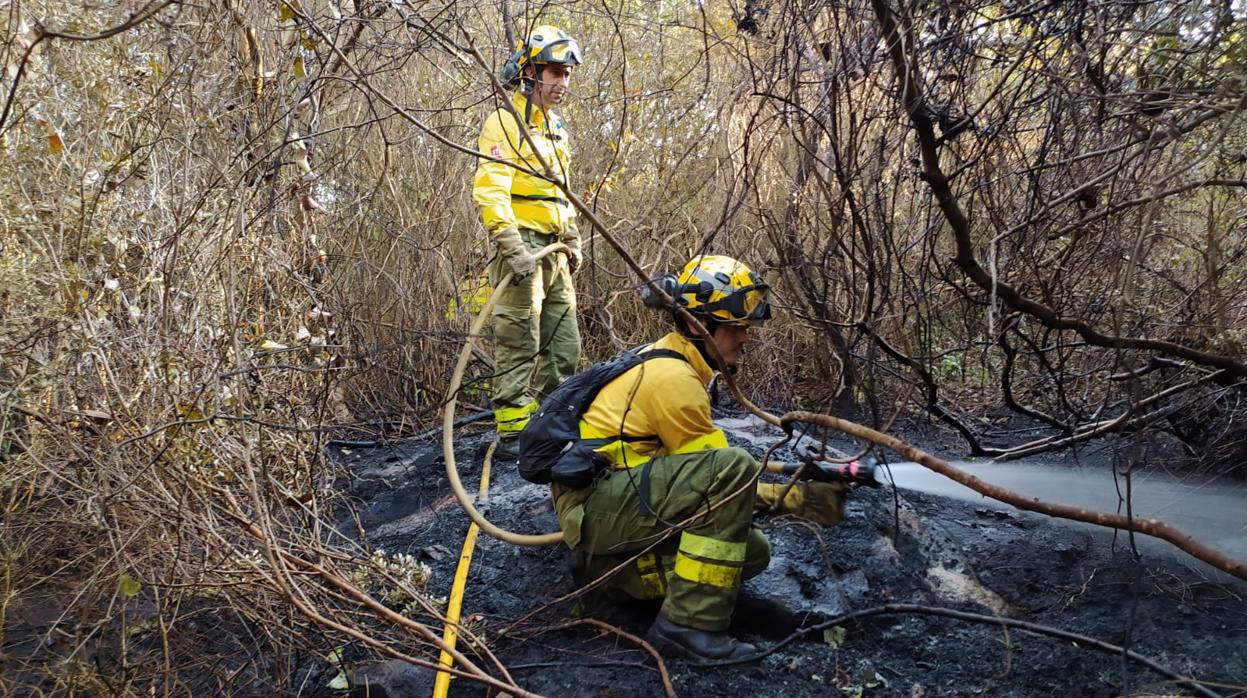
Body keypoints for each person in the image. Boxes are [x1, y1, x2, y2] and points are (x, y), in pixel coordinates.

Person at [550, 255, 794, 661]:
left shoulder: (675, 359)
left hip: (611, 501)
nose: (745, 337)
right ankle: (686, 626)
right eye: (736, 327)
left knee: (750, 550)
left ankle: (618, 581)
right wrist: (801, 501)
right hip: (596, 508)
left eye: (746, 327)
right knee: (732, 468)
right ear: (700, 325)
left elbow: (703, 472)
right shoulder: (675, 379)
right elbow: (726, 478)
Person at [473, 25, 584, 448]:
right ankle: (515, 433)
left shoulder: (556, 128)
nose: (562, 82)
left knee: (564, 343)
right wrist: (511, 244)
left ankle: (553, 422)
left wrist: (572, 234)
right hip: (522, 247)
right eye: (554, 72)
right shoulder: (505, 121)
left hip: (555, 249)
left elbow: (562, 188)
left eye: (567, 73)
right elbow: (491, 186)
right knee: (520, 338)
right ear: (531, 72)